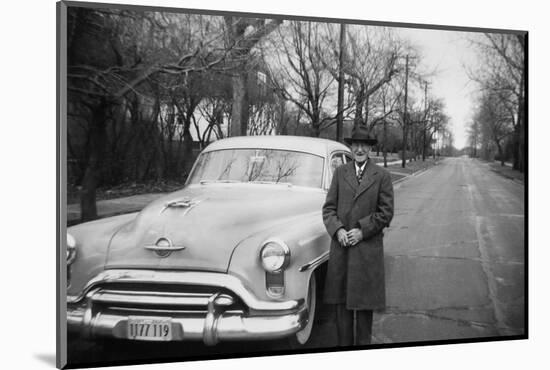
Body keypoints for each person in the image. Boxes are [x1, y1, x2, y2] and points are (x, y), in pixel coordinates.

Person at [322, 125, 394, 346]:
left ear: (370, 149)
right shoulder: (340, 172)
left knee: (363, 314)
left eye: (364, 145)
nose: (360, 149)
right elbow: (328, 209)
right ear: (351, 147)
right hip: (342, 252)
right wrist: (339, 230)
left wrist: (363, 231)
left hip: (367, 254)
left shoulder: (382, 175)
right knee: (342, 313)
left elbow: (386, 212)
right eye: (356, 145)